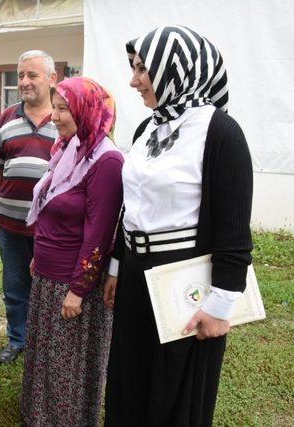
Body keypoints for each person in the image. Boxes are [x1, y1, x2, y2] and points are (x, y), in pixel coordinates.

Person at [103, 26, 253, 426]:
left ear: (177, 69)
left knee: (176, 389)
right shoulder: (146, 128)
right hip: (136, 275)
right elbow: (130, 205)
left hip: (185, 277)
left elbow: (235, 228)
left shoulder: (220, 131)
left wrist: (220, 307)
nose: (133, 80)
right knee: (131, 377)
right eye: (134, 68)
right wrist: (118, 266)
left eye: (143, 70)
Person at [20, 77, 124, 426]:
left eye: (64, 108)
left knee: (66, 359)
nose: (54, 116)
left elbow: (99, 233)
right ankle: (40, 415)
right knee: (46, 354)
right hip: (49, 274)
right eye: (57, 107)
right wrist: (39, 253)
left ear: (86, 110)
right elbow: (51, 205)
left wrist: (78, 290)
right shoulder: (69, 150)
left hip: (73, 282)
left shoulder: (106, 161)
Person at [0, 50, 58, 364]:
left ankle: (48, 344)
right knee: (15, 286)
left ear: (52, 79)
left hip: (53, 229)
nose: (25, 82)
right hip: (12, 224)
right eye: (21, 76)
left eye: (33, 75)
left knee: (50, 288)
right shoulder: (7, 117)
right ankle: (18, 339)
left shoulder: (65, 116)